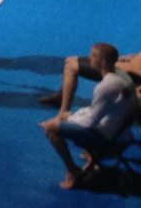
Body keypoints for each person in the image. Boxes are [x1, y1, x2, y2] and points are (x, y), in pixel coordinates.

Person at [42, 42, 136, 188]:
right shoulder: (122, 77)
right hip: (123, 132)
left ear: (103, 62)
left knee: (51, 129)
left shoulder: (105, 87)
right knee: (78, 113)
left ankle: (73, 171)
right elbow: (97, 111)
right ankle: (91, 156)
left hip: (109, 136)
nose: (89, 58)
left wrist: (67, 118)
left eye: (93, 56)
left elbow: (89, 123)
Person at [45, 43, 141, 113]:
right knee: (70, 60)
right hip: (123, 65)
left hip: (122, 73)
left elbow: (136, 69)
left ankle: (63, 112)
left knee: (71, 67)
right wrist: (129, 58)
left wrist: (116, 64)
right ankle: (60, 97)